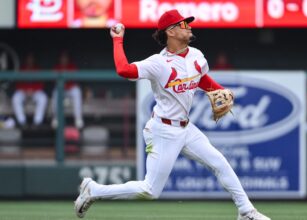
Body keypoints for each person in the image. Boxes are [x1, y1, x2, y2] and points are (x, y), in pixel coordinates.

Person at [74, 9, 270, 220]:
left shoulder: (196, 55)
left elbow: (201, 79)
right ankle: (94, 190)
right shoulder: (158, 64)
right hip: (163, 130)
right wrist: (118, 39)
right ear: (172, 31)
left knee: (220, 163)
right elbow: (124, 70)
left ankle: (246, 211)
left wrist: (219, 90)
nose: (189, 26)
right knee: (150, 190)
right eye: (184, 24)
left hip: (186, 128)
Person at [12, 53, 48, 128]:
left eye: (31, 59)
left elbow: (41, 84)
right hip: (23, 92)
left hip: (35, 92)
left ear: (34, 60)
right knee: (16, 98)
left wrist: (33, 90)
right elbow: (18, 83)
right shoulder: (22, 69)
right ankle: (22, 122)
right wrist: (25, 90)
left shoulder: (37, 69)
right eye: (28, 58)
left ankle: (37, 122)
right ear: (26, 60)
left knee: (43, 98)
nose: (30, 60)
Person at [51, 51, 84, 129]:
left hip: (70, 90)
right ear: (60, 59)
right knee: (55, 92)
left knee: (77, 91)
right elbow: (54, 81)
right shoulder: (57, 67)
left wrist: (67, 84)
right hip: (60, 90)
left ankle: (78, 119)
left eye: (65, 58)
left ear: (68, 59)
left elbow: (74, 80)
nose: (64, 59)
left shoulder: (72, 66)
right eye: (62, 58)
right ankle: (56, 118)